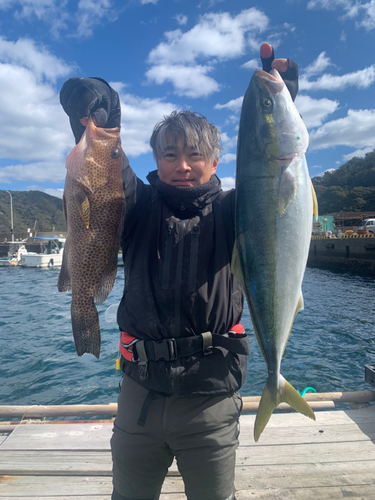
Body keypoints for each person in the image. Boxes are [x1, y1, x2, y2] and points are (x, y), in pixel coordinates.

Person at [60, 42, 299, 500]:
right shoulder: (138, 204)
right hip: (140, 395)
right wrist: (97, 107)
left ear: (214, 162)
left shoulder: (238, 209)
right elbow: (104, 170)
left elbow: (276, 186)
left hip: (211, 394)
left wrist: (287, 99)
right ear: (156, 160)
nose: (182, 166)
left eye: (194, 154)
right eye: (169, 155)